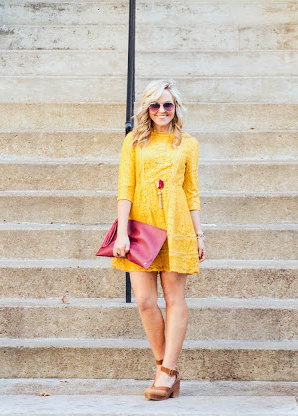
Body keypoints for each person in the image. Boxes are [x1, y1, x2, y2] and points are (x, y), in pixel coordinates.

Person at [111, 80, 206, 401]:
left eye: (167, 104)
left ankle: (166, 373)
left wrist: (199, 234)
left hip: (177, 226)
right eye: (155, 105)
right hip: (141, 227)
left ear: (175, 108)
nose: (161, 110)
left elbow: (191, 191)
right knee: (145, 301)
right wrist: (122, 232)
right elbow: (125, 188)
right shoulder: (134, 141)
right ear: (147, 109)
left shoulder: (188, 143)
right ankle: (164, 367)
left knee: (174, 298)